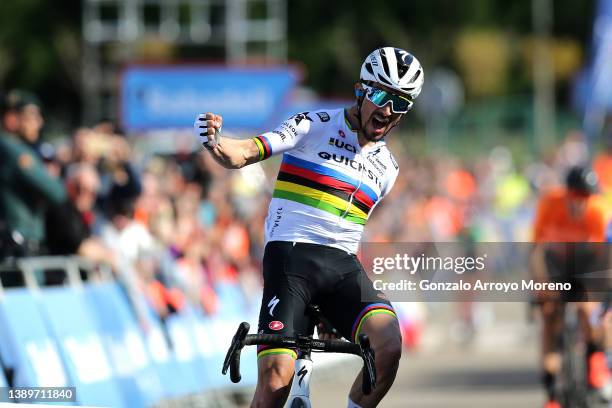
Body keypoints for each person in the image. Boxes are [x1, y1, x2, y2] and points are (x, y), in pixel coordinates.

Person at [194, 47, 424, 408]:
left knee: (389, 345)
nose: (387, 110)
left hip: (343, 268)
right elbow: (244, 153)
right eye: (380, 95)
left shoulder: (389, 169)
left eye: (400, 103)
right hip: (292, 259)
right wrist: (215, 141)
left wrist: (334, 309)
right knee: (274, 384)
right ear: (360, 90)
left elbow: (350, 232)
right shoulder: (313, 124)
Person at [531, 166, 612, 408]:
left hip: (588, 262)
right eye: (577, 197)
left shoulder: (600, 210)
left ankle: (596, 360)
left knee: (587, 310)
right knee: (549, 316)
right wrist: (542, 285)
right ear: (567, 194)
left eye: (586, 198)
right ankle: (552, 393)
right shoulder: (550, 205)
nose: (582, 203)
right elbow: (537, 250)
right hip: (556, 261)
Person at [0, 90, 65, 261]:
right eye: (32, 117)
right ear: (12, 119)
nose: (39, 123)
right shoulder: (14, 151)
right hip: (18, 248)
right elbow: (57, 192)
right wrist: (49, 175)